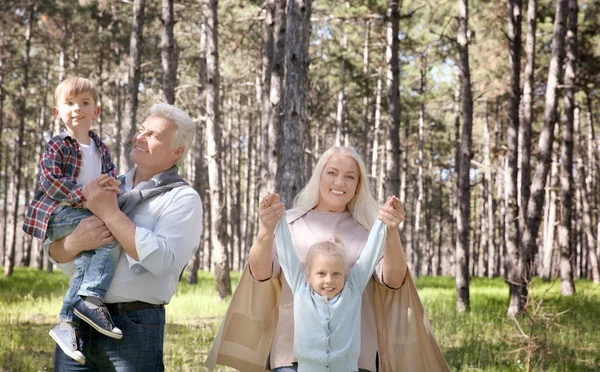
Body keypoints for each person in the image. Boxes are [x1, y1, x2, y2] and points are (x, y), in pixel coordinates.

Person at [207, 146, 448, 372]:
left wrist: (392, 232)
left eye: (350, 176)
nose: (339, 182)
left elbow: (394, 282)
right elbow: (260, 275)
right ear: (319, 176)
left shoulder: (369, 229)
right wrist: (264, 230)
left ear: (358, 185)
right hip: (291, 355)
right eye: (332, 173)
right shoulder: (288, 222)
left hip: (356, 357)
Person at [45, 102, 203, 371]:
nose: (139, 137)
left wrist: (110, 213)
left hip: (133, 326)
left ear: (177, 151)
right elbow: (58, 255)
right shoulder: (107, 185)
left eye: (153, 135)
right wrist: (75, 242)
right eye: (141, 130)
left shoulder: (183, 199)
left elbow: (164, 261)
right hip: (77, 323)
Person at [22, 77, 124, 364]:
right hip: (57, 213)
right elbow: (50, 181)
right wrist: (84, 195)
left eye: (84, 103)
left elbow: (111, 177)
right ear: (57, 112)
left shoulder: (101, 148)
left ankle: (67, 322)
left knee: (90, 254)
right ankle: (89, 298)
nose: (77, 109)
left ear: (96, 111)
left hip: (86, 211)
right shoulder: (57, 145)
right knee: (106, 231)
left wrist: (112, 186)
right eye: (69, 104)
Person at [274, 196, 395, 372]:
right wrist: (277, 219)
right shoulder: (301, 288)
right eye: (321, 274)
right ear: (308, 275)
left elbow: (370, 254)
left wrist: (383, 220)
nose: (329, 280)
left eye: (336, 274)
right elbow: (286, 252)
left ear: (345, 274)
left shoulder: (352, 289)